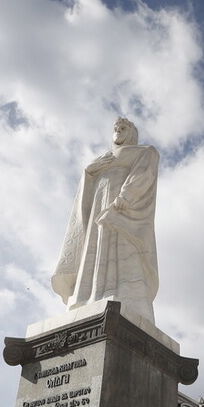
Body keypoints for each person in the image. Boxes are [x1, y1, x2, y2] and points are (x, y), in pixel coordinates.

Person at [52, 117, 160, 324]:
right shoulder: (103, 159)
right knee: (94, 249)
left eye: (123, 128)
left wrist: (125, 198)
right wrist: (90, 170)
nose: (118, 130)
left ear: (131, 133)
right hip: (98, 208)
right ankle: (87, 297)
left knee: (122, 250)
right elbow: (87, 188)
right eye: (116, 128)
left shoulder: (145, 151)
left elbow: (144, 174)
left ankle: (128, 299)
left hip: (121, 211)